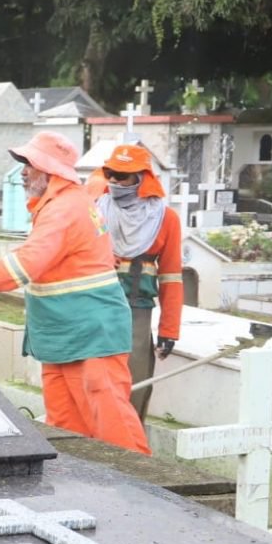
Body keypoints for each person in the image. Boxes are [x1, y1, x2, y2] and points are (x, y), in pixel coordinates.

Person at [0, 132, 150, 454]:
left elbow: (20, 270)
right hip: (66, 334)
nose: (22, 171)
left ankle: (145, 491)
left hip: (90, 334)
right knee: (65, 428)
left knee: (111, 423)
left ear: (50, 171)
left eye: (29, 164)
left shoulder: (64, 209)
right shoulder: (60, 205)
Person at [96, 144, 183, 419]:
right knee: (92, 380)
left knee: (133, 382)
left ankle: (127, 448)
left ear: (142, 177)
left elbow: (171, 277)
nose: (114, 182)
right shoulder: (94, 209)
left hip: (137, 310)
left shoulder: (165, 219)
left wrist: (169, 330)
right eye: (110, 173)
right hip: (94, 304)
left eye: (122, 176)